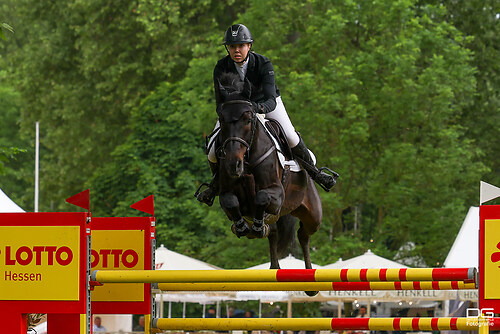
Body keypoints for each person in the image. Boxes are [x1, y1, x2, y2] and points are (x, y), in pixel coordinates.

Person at [196, 24, 338, 206]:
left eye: (241, 45)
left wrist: (256, 109)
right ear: (228, 48)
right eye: (232, 46)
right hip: (236, 112)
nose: (236, 50)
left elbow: (271, 99)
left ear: (249, 46)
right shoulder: (221, 67)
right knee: (213, 152)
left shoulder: (263, 63)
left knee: (290, 136)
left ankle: (316, 173)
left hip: (266, 105)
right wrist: (231, 113)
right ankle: (215, 185)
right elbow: (219, 104)